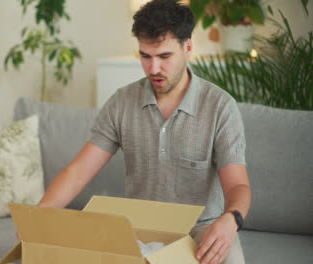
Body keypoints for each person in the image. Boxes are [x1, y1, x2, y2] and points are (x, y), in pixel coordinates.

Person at [33, 1, 251, 263]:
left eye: (164, 57)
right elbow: (78, 173)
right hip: (139, 230)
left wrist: (231, 219)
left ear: (188, 47)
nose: (154, 69)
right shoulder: (122, 102)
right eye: (145, 56)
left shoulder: (220, 106)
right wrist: (37, 220)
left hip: (201, 229)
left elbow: (238, 184)